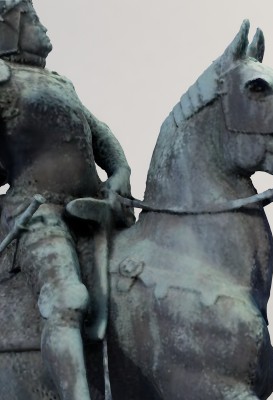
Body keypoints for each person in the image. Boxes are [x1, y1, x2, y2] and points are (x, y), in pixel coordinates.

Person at [0, 1, 133, 398]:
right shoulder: (2, 80)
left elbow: (98, 135)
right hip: (37, 212)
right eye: (34, 20)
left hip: (99, 208)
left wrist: (120, 172)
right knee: (65, 299)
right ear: (11, 28)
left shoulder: (61, 82)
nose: (43, 28)